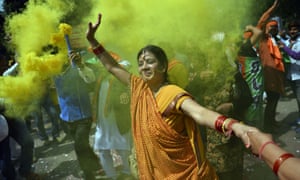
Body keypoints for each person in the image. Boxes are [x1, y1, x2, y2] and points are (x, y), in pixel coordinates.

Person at [86, 13, 258, 179]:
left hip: (180, 173)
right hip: (152, 171)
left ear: (162, 67)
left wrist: (231, 125)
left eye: (150, 62)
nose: (144, 66)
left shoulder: (172, 92)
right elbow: (112, 67)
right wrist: (93, 41)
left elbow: (199, 113)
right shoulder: (139, 87)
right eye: (140, 63)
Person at [53, 50, 101, 179]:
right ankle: (96, 163)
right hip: (66, 118)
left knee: (79, 146)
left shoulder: (77, 69)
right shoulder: (52, 74)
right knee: (82, 145)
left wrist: (81, 65)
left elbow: (90, 78)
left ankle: (88, 174)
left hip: (83, 117)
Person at [93, 58, 133, 180]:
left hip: (118, 120)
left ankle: (128, 172)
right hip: (103, 123)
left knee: (124, 149)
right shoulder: (100, 78)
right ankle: (111, 175)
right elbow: (88, 76)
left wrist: (112, 68)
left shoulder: (120, 78)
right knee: (103, 150)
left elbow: (128, 64)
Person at [256, 0, 286, 133]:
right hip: (269, 75)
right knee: (271, 101)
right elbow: (261, 22)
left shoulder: (275, 40)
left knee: (275, 100)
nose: (273, 28)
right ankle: (268, 126)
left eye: (275, 27)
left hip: (278, 75)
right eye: (270, 26)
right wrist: (272, 8)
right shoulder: (263, 39)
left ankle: (272, 121)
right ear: (266, 28)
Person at [278, 19, 300, 129]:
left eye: (295, 29)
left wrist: (285, 48)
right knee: (297, 100)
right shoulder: (288, 41)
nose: (292, 31)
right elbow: (279, 42)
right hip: (291, 77)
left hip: (299, 76)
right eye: (291, 30)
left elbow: (297, 56)